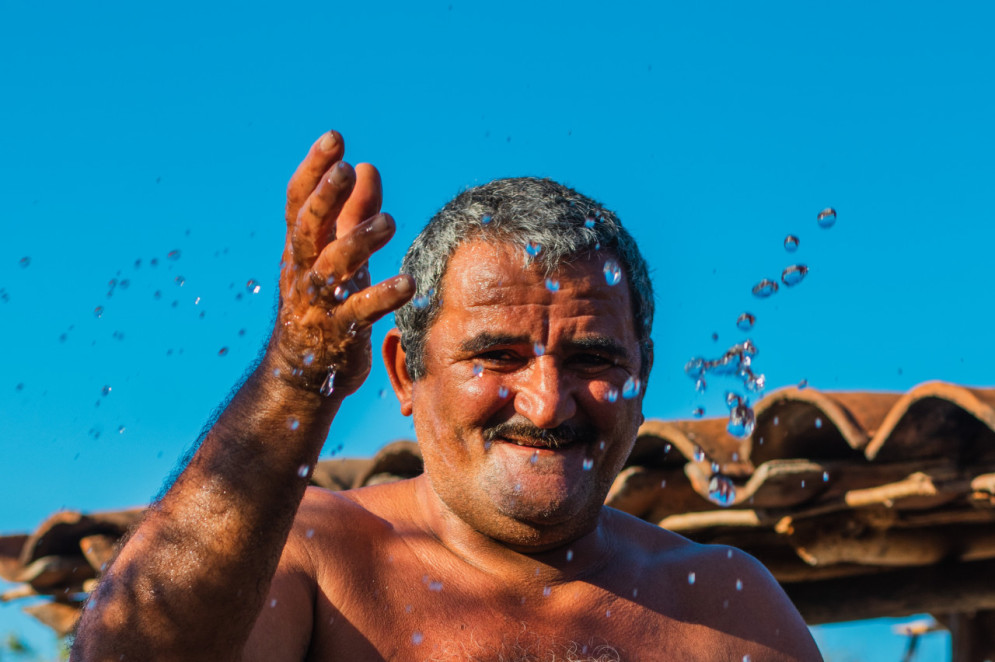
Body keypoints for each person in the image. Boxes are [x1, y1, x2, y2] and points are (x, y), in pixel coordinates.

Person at [72, 131, 823, 661]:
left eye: (591, 358)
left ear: (641, 376)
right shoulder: (319, 563)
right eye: (496, 356)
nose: (546, 404)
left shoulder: (724, 606)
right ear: (404, 371)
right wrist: (295, 379)